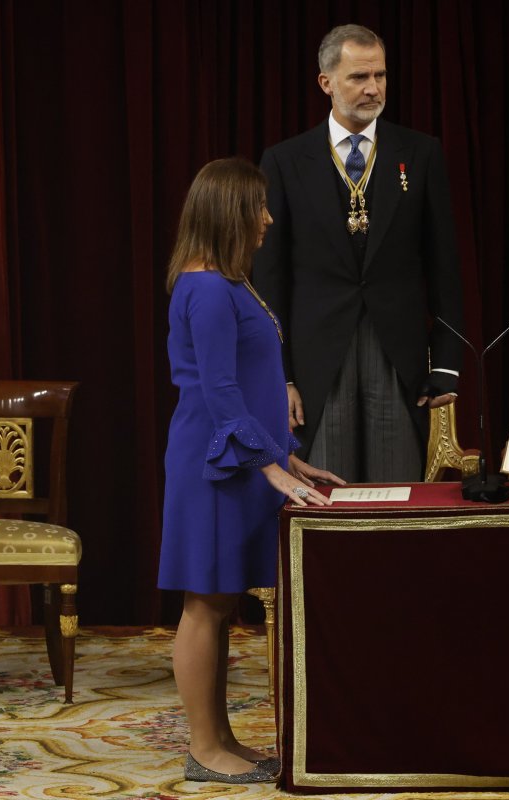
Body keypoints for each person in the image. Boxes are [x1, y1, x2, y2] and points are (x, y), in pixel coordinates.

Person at [159, 158, 344, 784]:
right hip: (215, 466)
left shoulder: (230, 284)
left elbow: (247, 388)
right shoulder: (207, 288)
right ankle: (203, 750)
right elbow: (217, 390)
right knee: (204, 605)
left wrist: (289, 457)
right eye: (258, 207)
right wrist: (269, 466)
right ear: (228, 212)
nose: (267, 219)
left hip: (240, 460)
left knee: (220, 600)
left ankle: (222, 741)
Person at [252, 24, 465, 483]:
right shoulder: (284, 161)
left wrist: (446, 361)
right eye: (359, 77)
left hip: (399, 353)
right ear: (326, 83)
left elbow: (444, 265)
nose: (374, 88)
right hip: (317, 361)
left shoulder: (421, 153)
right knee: (329, 498)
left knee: (397, 494)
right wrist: (280, 376)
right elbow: (269, 279)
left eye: (381, 75)